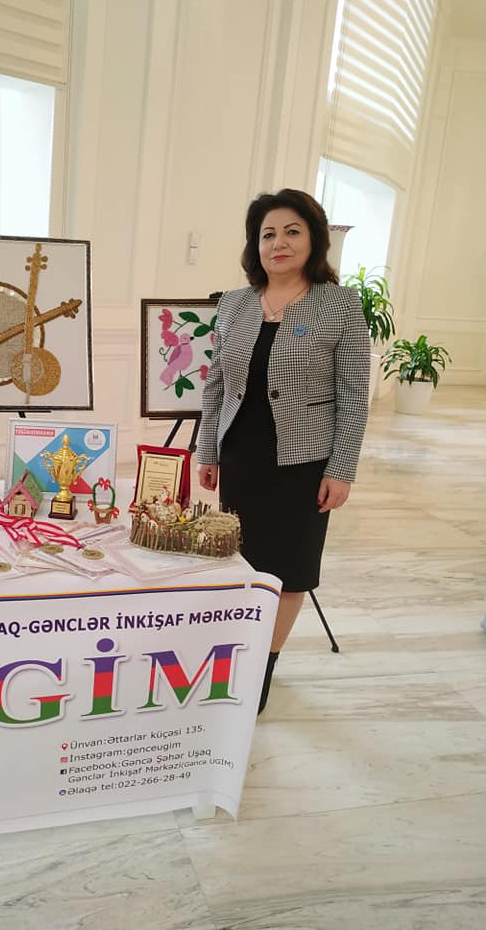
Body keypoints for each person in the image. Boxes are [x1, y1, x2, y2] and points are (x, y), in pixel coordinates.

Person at [197, 188, 370, 714]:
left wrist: (342, 468)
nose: (279, 243)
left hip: (305, 461)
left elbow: (354, 393)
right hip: (242, 456)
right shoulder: (235, 303)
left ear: (314, 239)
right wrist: (208, 450)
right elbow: (216, 384)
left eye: (292, 231)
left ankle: (262, 670)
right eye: (267, 233)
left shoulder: (340, 304)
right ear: (256, 244)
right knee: (242, 560)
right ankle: (235, 654)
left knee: (288, 569)